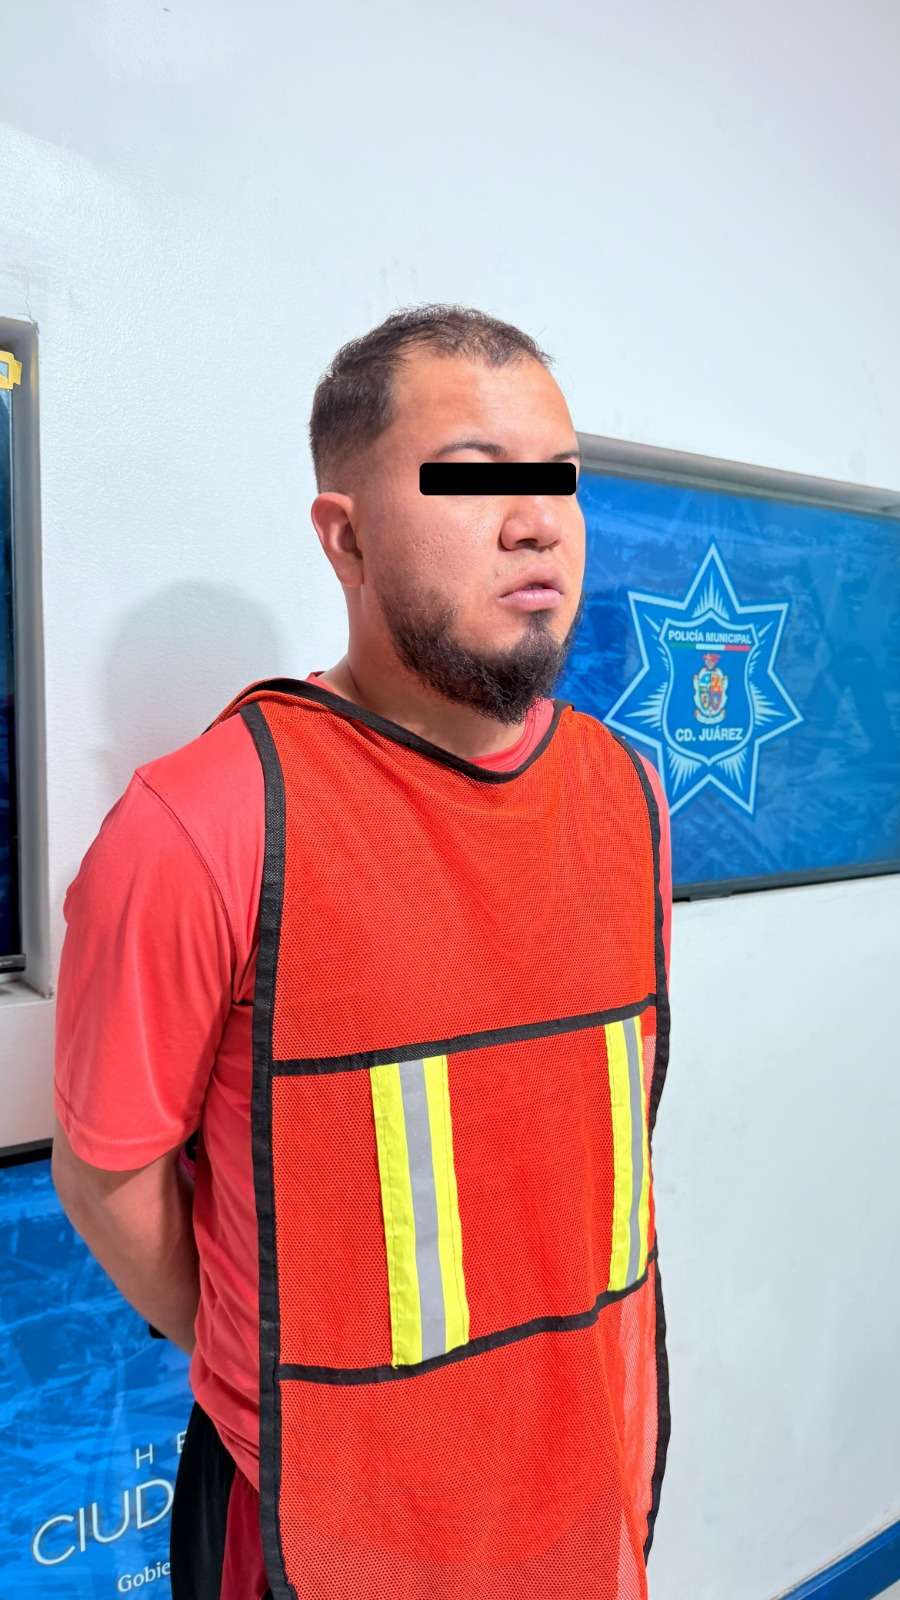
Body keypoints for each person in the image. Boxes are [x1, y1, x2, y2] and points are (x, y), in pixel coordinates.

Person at [52, 303, 672, 1600]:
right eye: (472, 477)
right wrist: (280, 1375)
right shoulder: (206, 823)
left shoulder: (629, 795)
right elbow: (112, 1181)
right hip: (319, 1537)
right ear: (345, 538)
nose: (536, 521)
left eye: (558, 478)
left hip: (585, 1507)